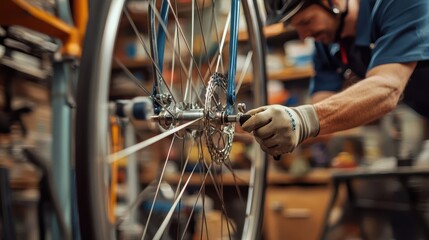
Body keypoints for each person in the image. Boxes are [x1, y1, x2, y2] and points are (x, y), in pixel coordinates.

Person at [241, 0, 429, 159]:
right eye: (295, 27)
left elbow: (387, 88)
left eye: (306, 21)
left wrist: (302, 120)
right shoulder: (327, 45)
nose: (303, 35)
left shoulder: (399, 4)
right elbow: (322, 110)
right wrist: (269, 127)